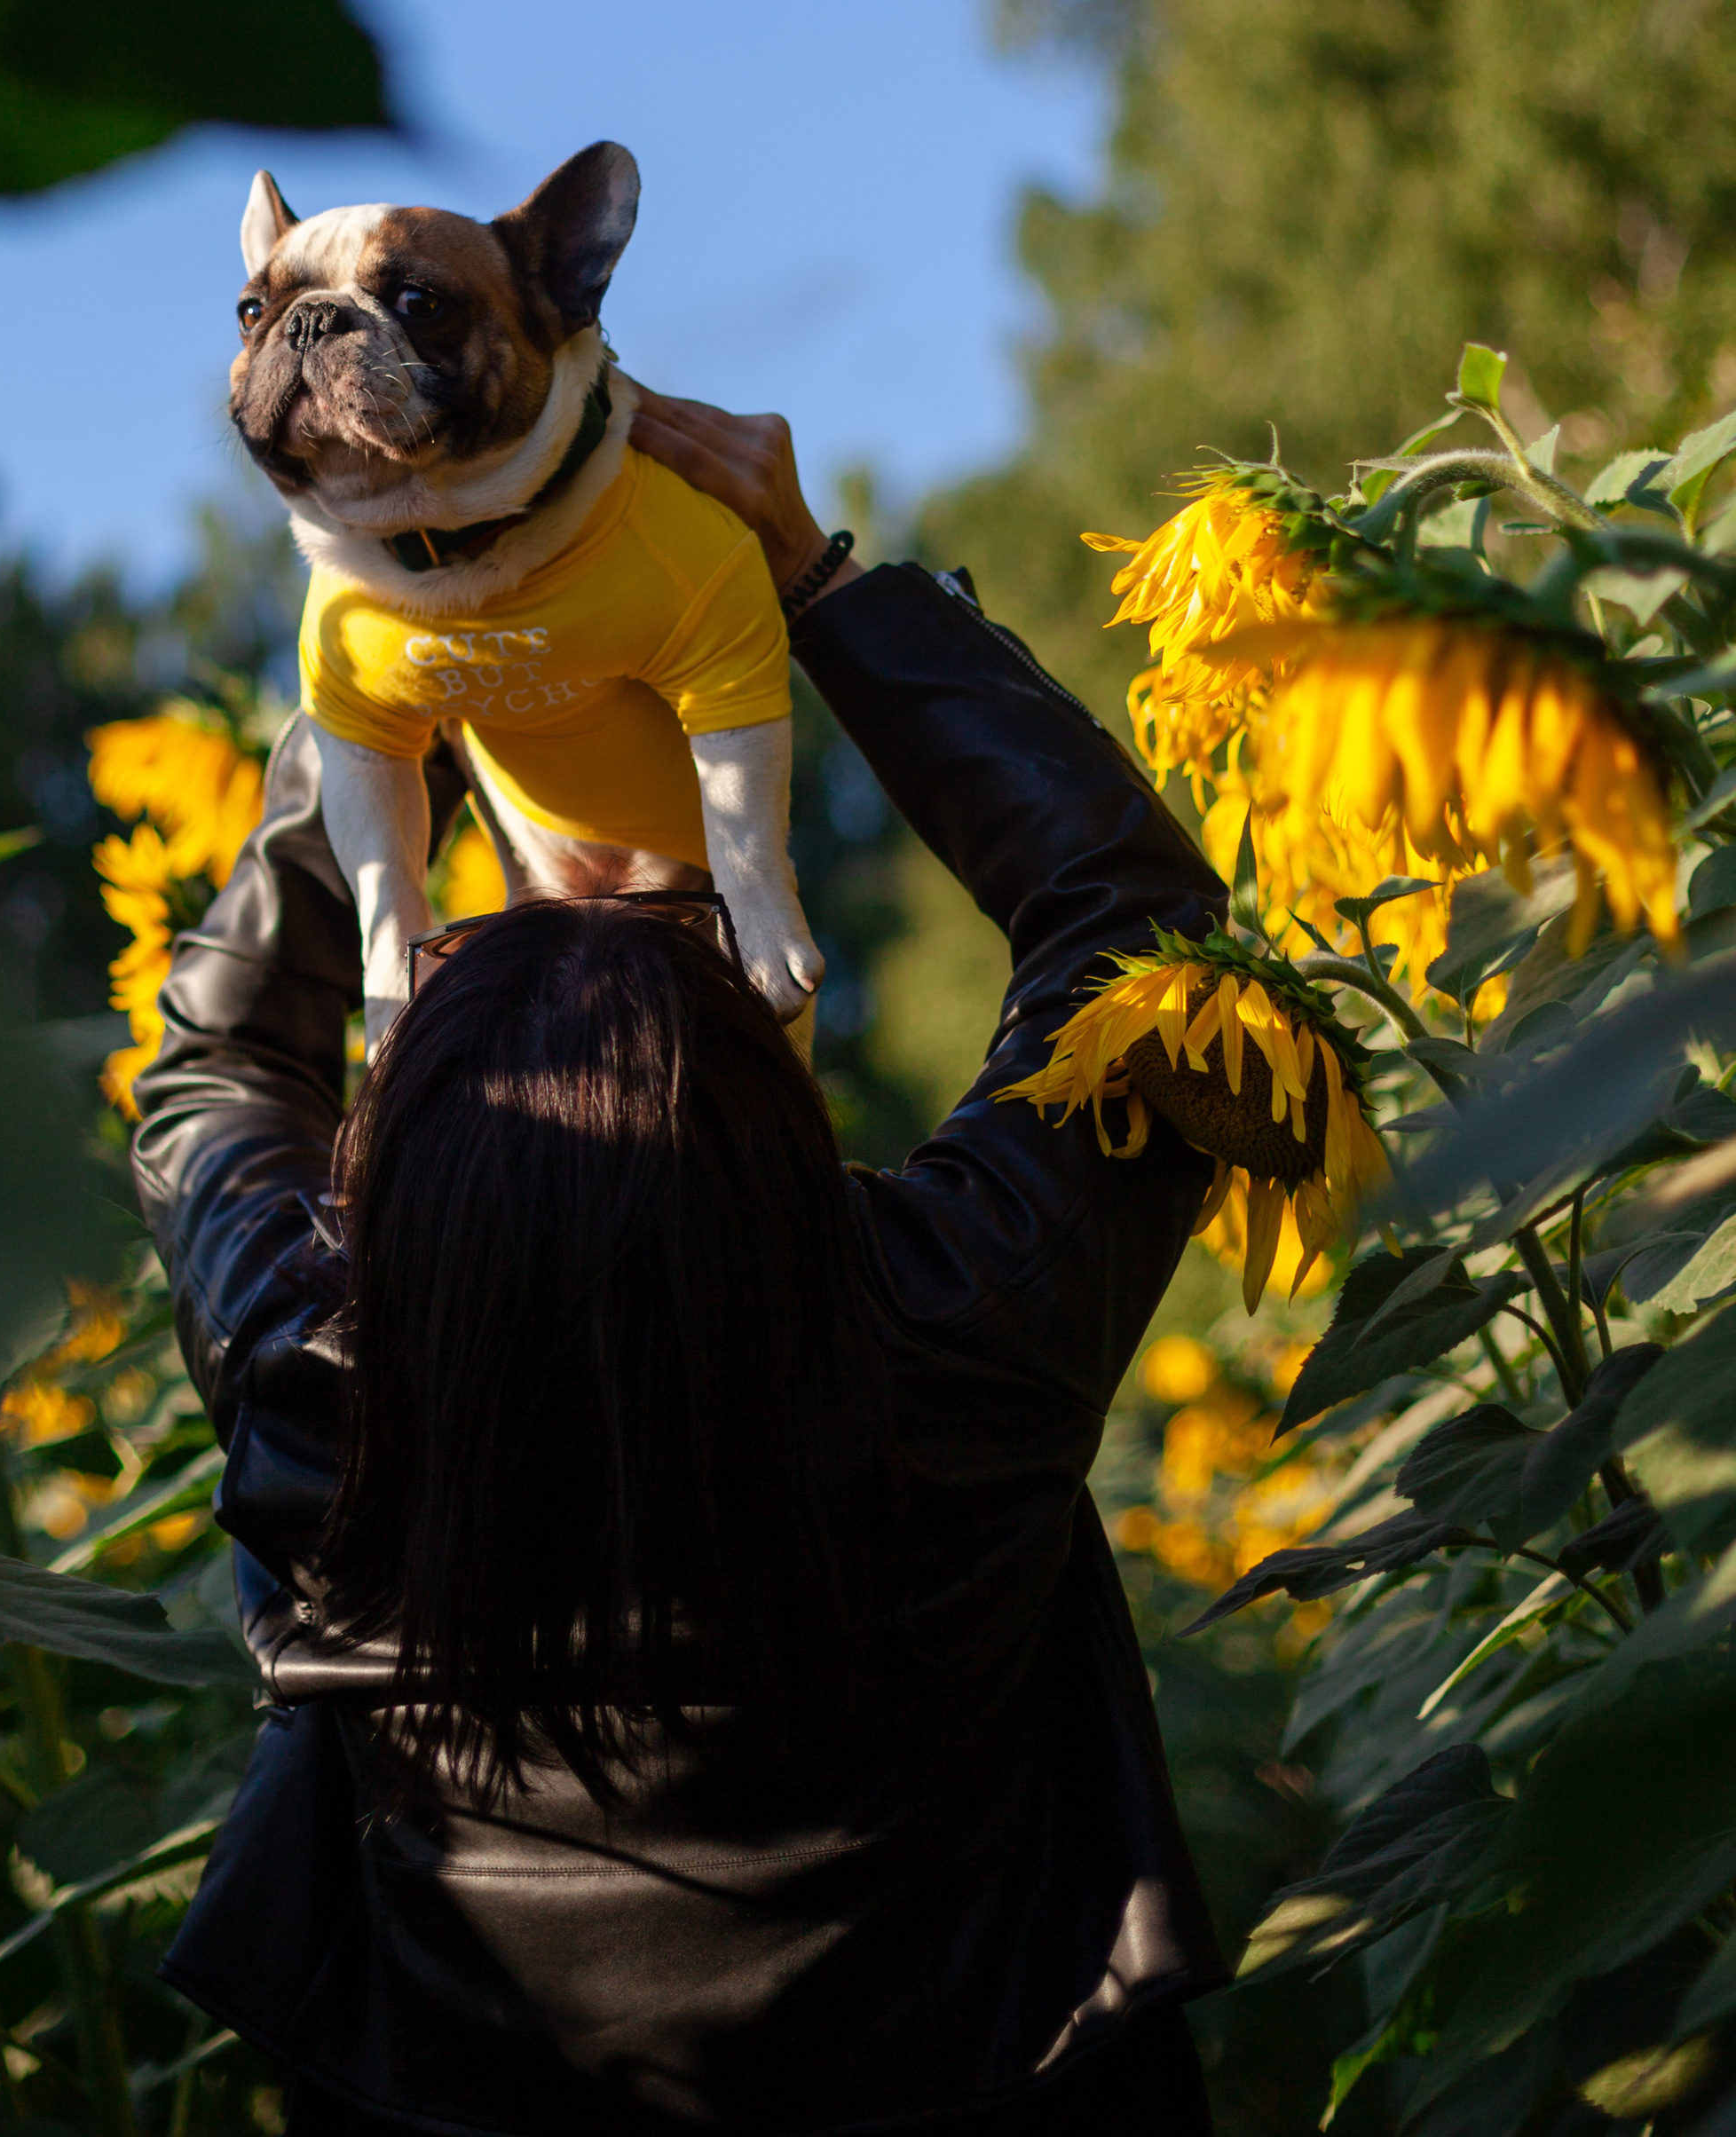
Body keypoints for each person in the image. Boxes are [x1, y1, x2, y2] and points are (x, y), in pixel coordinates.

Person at [131, 394, 1235, 2134]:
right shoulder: (951, 1324)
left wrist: (389, 649)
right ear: (761, 1110)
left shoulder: (319, 1387)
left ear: (403, 1162)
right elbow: (1148, 944)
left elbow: (205, 1076)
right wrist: (817, 581)